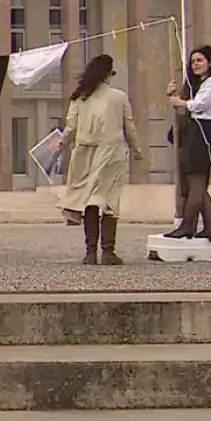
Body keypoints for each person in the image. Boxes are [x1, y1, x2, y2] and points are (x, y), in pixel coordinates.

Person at [57, 54, 144, 265]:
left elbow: (70, 127)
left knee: (89, 202)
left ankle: (90, 252)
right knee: (109, 202)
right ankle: (108, 251)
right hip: (111, 154)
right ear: (107, 74)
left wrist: (60, 145)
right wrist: (136, 149)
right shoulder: (118, 97)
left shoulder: (80, 97)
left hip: (85, 155)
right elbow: (129, 126)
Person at [164, 46, 211, 240]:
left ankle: (187, 225)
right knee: (196, 185)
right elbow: (183, 106)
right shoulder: (195, 83)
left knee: (197, 182)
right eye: (193, 61)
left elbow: (200, 105)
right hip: (192, 131)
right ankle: (208, 228)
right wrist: (173, 95)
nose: (195, 64)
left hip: (202, 131)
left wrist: (180, 102)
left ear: (210, 62)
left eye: (200, 60)